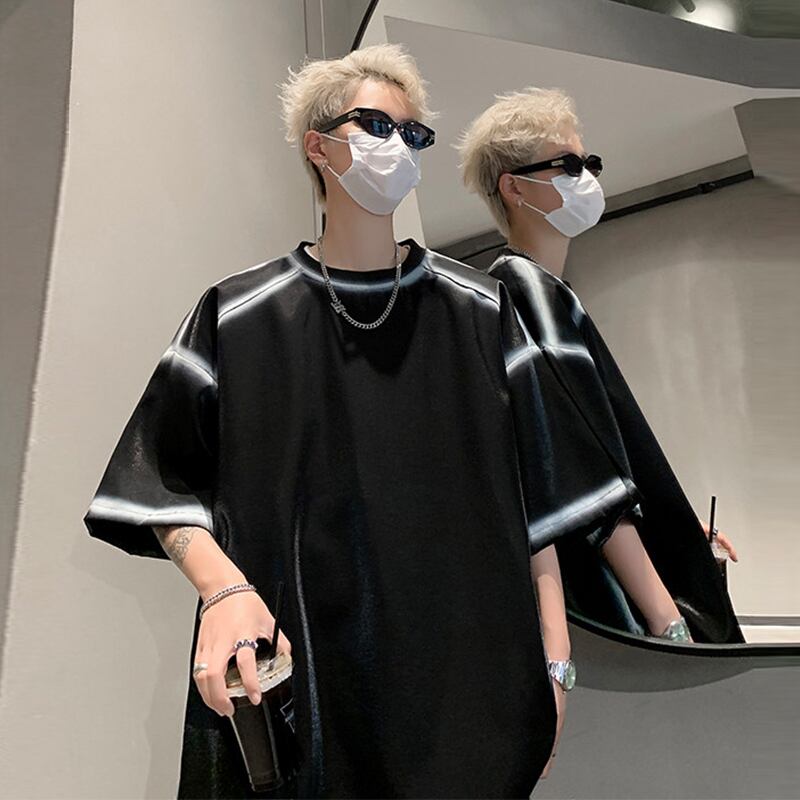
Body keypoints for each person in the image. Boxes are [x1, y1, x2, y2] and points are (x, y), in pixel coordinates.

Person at [83, 48, 643, 799]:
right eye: (377, 125)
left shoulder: (481, 310)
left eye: (413, 134)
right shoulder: (238, 316)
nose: (399, 147)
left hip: (470, 686)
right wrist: (222, 590)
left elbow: (541, 496)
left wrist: (555, 654)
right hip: (305, 689)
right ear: (318, 146)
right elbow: (159, 484)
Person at [456, 87, 743, 644]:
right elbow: (578, 472)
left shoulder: (546, 291)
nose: (585, 177)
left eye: (589, 163)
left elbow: (606, 449)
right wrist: (665, 617)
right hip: (613, 605)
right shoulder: (523, 289)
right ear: (513, 188)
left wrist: (678, 529)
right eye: (566, 165)